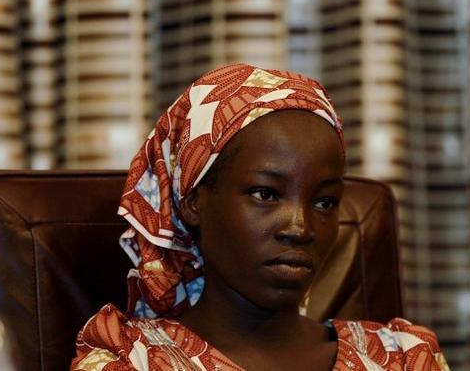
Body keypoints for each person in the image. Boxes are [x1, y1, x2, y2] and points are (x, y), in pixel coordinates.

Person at [71, 64, 449, 371]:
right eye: (265, 194)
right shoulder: (131, 361)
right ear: (193, 201)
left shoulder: (404, 358)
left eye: (325, 202)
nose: (300, 227)